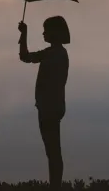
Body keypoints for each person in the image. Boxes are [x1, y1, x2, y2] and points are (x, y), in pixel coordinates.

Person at [18, 16, 70, 190]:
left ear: (55, 33)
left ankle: (55, 185)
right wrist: (23, 35)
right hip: (49, 106)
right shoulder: (52, 53)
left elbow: (27, 58)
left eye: (46, 30)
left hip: (50, 107)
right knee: (52, 150)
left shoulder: (57, 54)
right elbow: (25, 57)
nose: (43, 33)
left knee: (53, 150)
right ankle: (55, 185)